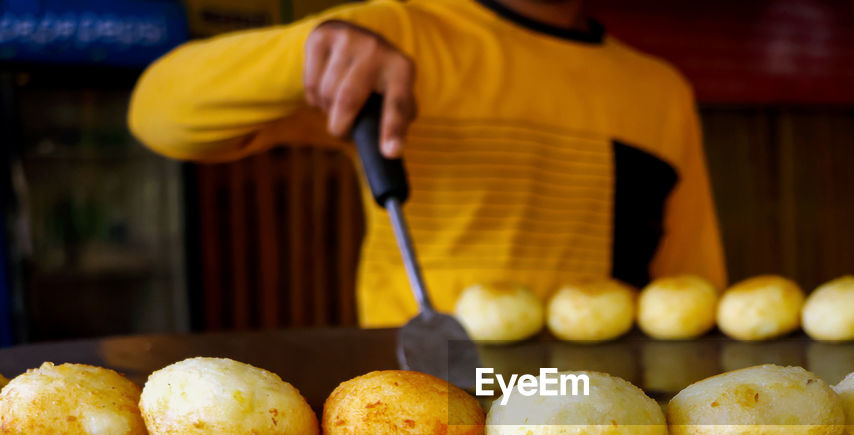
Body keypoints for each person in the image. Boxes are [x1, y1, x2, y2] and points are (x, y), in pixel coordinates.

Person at [128, 0, 728, 327]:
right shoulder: (399, 34)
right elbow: (158, 113)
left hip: (594, 419)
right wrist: (309, 50)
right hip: (430, 414)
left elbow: (695, 285)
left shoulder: (658, 90)